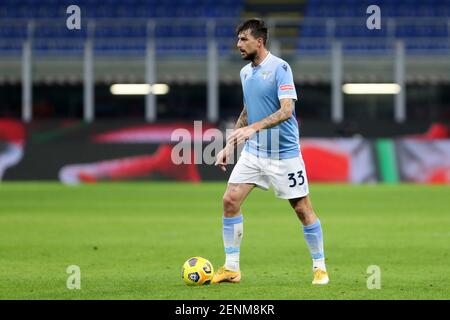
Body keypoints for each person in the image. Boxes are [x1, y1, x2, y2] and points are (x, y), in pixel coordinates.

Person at [213, 19, 329, 285]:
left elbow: (287, 110)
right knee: (230, 201)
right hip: (254, 153)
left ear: (259, 41)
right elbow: (247, 111)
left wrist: (253, 128)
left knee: (302, 209)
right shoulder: (245, 73)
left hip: (284, 154)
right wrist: (229, 145)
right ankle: (232, 268)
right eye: (238, 39)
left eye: (243, 39)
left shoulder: (280, 68)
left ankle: (319, 266)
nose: (238, 45)